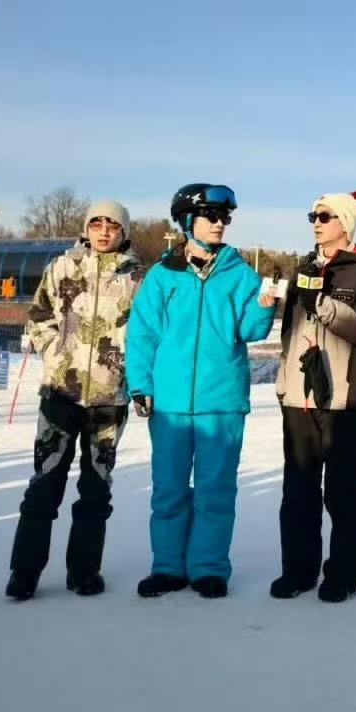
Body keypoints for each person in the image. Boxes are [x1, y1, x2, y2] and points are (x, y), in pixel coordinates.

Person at [127, 183, 278, 599]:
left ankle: (209, 567)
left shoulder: (240, 274)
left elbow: (249, 331)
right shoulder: (163, 276)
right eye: (211, 216)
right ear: (188, 221)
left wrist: (264, 305)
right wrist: (140, 384)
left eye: (224, 217)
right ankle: (168, 567)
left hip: (221, 401)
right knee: (169, 488)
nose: (220, 223)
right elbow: (142, 334)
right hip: (170, 403)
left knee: (216, 489)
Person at [5, 201, 145, 600]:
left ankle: (83, 571)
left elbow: (146, 333)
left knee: (96, 487)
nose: (104, 231)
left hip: (108, 398)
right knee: (45, 483)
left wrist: (128, 373)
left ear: (123, 232)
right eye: (96, 224)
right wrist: (56, 353)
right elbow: (39, 316)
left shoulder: (137, 278)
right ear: (87, 229)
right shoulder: (62, 267)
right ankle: (25, 571)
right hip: (60, 393)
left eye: (112, 225)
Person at [271, 191, 356, 602]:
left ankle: (342, 574)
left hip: (346, 401)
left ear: (346, 223)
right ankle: (298, 571)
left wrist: (324, 306)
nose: (316, 223)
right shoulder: (302, 270)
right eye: (313, 216)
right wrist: (284, 380)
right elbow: (289, 333)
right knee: (298, 490)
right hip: (300, 399)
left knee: (343, 490)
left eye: (325, 216)